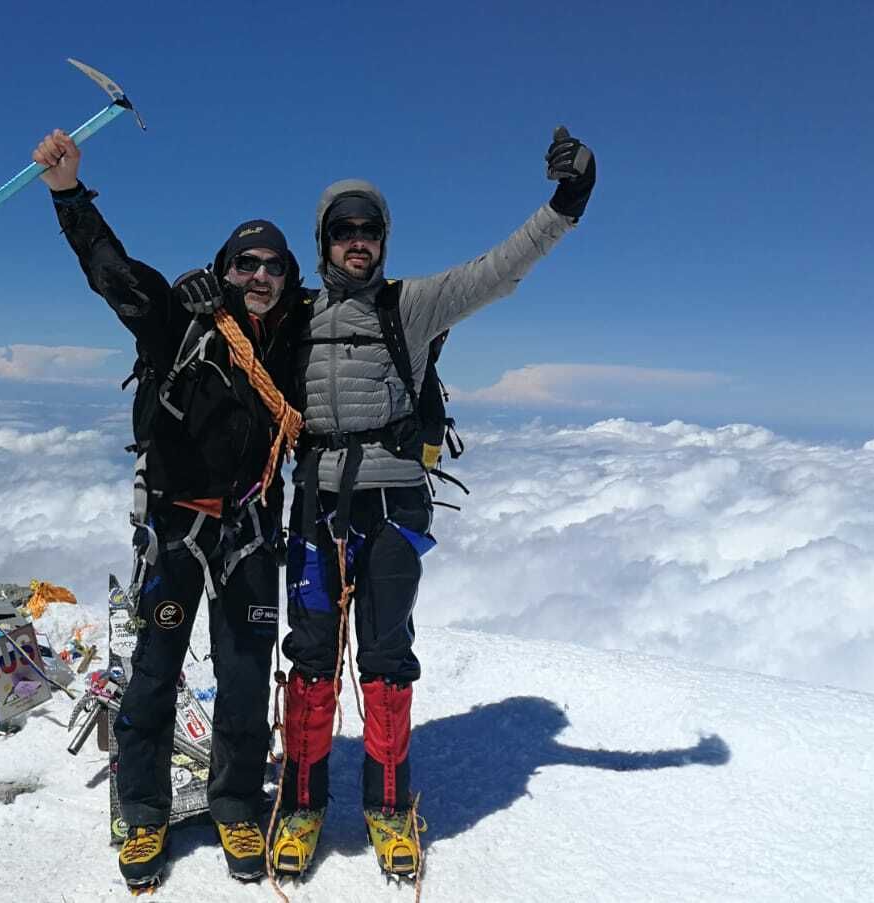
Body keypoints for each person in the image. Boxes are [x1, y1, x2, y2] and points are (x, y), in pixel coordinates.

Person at [268, 127, 597, 879]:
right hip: (316, 505)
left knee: (386, 661)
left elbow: (499, 272)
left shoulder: (411, 305)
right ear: (324, 240)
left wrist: (567, 202)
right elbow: (232, 309)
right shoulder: (296, 312)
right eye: (344, 230)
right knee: (312, 659)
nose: (359, 241)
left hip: (392, 507)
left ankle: (388, 805)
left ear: (384, 239)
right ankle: (302, 804)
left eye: (370, 229)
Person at [30, 129, 307, 890]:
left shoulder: (295, 336)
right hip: (177, 526)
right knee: (154, 670)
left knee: (248, 674)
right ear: (224, 269)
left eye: (273, 265)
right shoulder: (178, 319)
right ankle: (144, 809)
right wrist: (68, 192)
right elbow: (111, 273)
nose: (259, 274)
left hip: (249, 526)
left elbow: (365, 315)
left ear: (289, 277)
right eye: (245, 263)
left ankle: (237, 804)